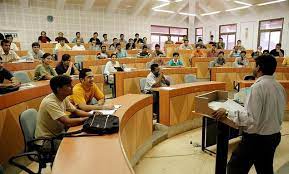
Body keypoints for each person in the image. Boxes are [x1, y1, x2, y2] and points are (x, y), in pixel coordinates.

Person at [212, 55, 285, 174]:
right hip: (274, 136)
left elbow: (250, 118)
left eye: (254, 65)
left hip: (257, 139)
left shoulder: (258, 87)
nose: (253, 68)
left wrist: (226, 112)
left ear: (259, 67)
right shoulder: (279, 87)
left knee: (235, 168)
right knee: (265, 168)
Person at [35, 75, 92, 151]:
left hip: (58, 134)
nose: (72, 87)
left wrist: (92, 115)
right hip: (47, 140)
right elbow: (67, 122)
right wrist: (87, 119)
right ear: (59, 89)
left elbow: (76, 111)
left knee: (83, 140)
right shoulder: (50, 102)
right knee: (74, 148)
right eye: (68, 86)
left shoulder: (63, 97)